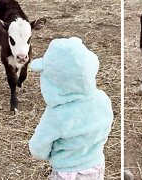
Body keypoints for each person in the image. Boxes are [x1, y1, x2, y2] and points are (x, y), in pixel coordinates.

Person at [28, 37, 114, 180]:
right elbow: (106, 126)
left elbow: (38, 147)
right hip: (96, 165)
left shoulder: (56, 114)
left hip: (67, 173)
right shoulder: (102, 99)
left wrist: (50, 154)